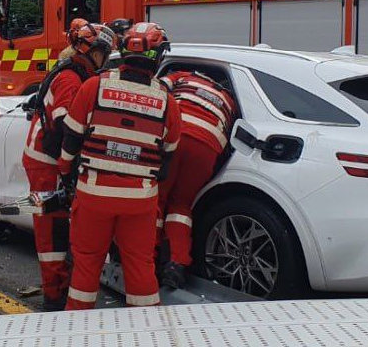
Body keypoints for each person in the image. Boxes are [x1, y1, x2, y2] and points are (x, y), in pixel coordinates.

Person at [58, 22, 181, 310]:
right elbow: (168, 158)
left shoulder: (94, 86)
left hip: (93, 194)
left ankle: (76, 329)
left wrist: (65, 173)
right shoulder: (167, 101)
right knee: (140, 265)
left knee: (86, 265)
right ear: (159, 57)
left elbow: (71, 140)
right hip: (139, 199)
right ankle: (146, 331)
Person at [22, 22, 111, 311]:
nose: (105, 61)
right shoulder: (71, 79)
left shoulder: (73, 72)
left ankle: (59, 285)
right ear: (92, 52)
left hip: (49, 160)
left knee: (58, 227)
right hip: (46, 164)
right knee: (52, 231)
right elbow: (65, 127)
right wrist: (69, 165)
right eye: (104, 54)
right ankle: (54, 295)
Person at [156, 69, 237, 289]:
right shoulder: (228, 98)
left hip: (175, 133)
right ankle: (177, 263)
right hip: (207, 145)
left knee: (156, 199)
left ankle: (148, 257)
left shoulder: (181, 76)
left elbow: (156, 90)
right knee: (181, 205)